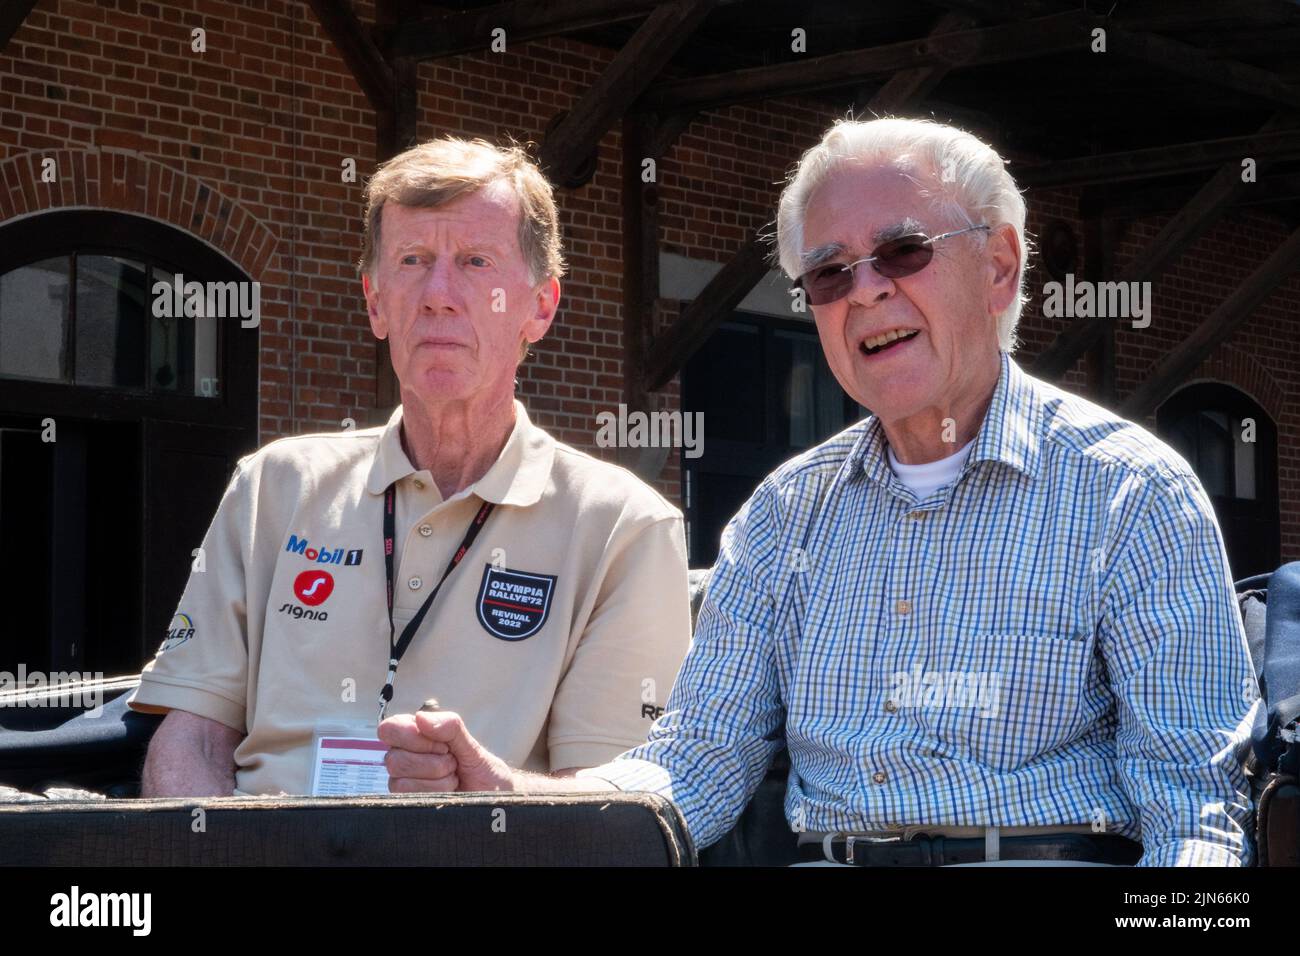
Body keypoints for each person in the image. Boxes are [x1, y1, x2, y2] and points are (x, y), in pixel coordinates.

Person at [381, 118, 1260, 867]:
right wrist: (515, 796)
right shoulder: (783, 513)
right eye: (831, 273)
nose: (867, 290)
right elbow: (693, 767)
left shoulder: (1132, 491)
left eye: (903, 251)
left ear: (998, 267)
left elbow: (1198, 814)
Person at [129, 137, 691, 797]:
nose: (438, 294)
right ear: (375, 302)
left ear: (540, 307)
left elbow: (618, 802)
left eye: (476, 261)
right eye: (413, 260)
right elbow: (190, 738)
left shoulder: (625, 527)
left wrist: (488, 790)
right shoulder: (273, 488)